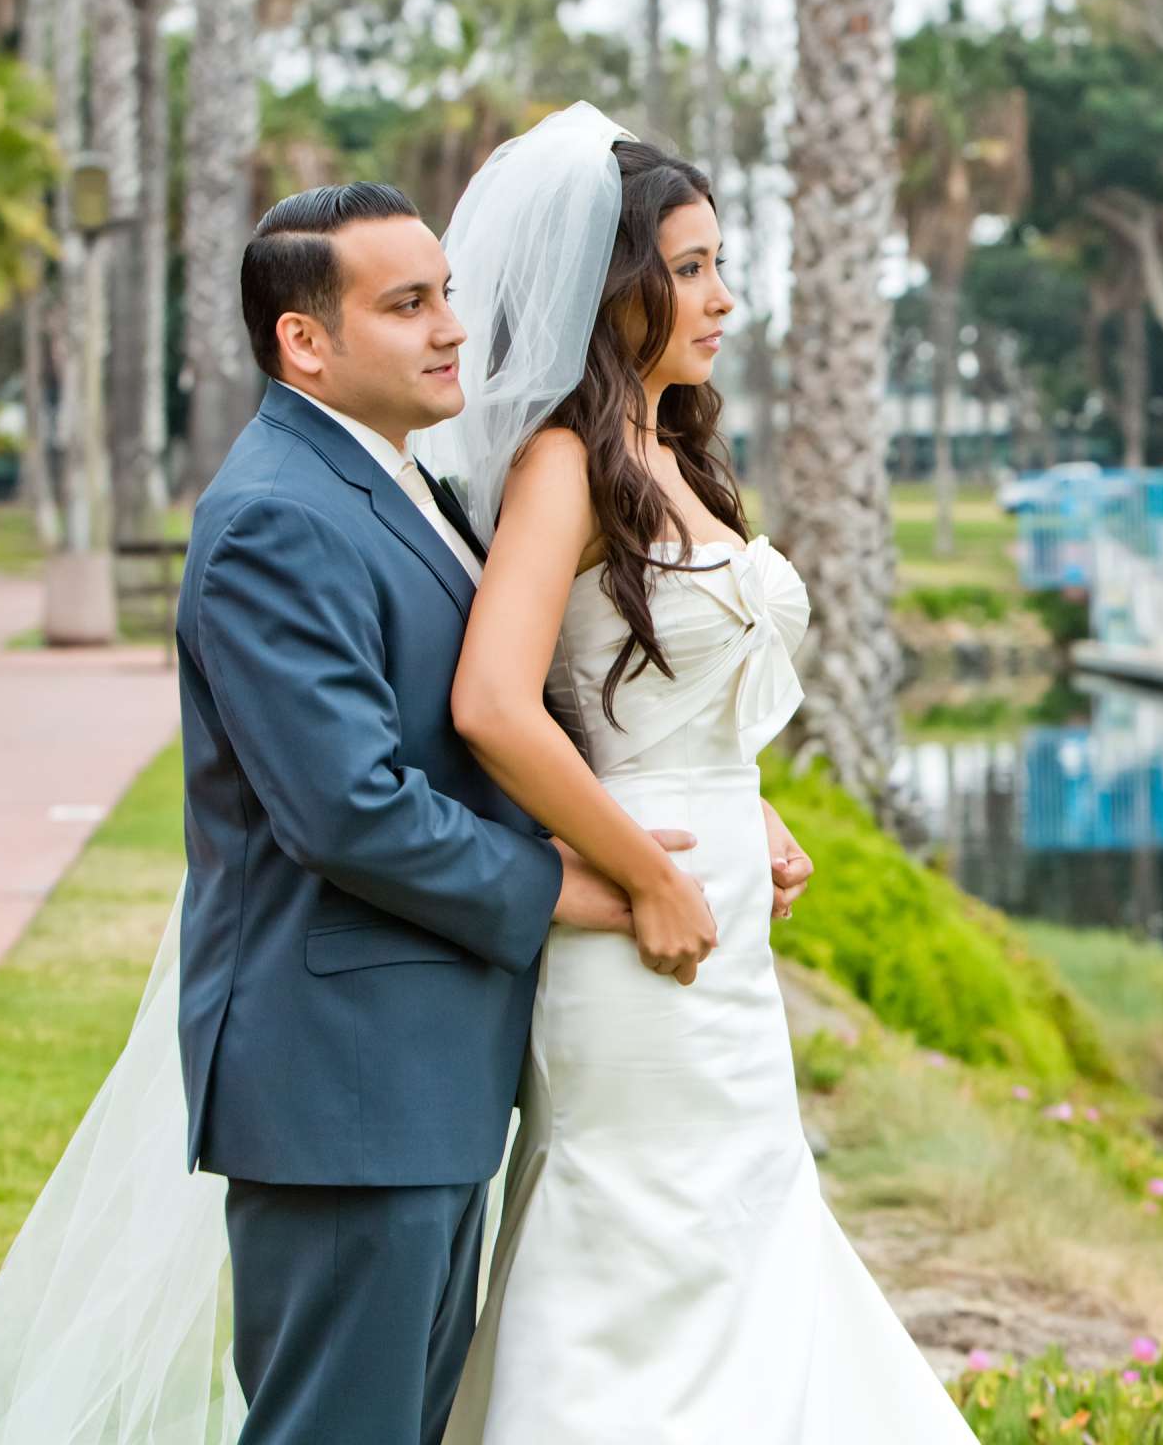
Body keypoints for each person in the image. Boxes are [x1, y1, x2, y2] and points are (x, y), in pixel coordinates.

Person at [424, 107, 974, 1440]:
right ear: (612, 290)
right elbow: (495, 701)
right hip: (638, 929)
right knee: (639, 1252)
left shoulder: (676, 456)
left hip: (718, 917)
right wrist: (639, 872)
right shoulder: (564, 462)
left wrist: (751, 805)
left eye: (722, 263)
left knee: (738, 1233)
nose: (722, 297)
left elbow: (662, 689)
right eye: (689, 267)